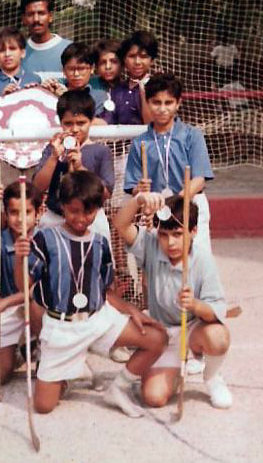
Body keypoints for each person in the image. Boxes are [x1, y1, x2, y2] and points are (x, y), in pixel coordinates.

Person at [15, 170, 168, 417]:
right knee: (43, 406)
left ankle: (118, 388)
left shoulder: (100, 242)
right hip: (62, 327)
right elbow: (24, 287)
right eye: (73, 211)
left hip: (97, 319)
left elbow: (106, 291)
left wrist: (132, 311)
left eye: (88, 212)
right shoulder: (45, 238)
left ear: (97, 209)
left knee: (156, 338)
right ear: (62, 206)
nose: (81, 218)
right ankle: (68, 374)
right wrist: (19, 258)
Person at [113, 193, 233, 409]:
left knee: (218, 336)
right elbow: (120, 224)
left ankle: (212, 377)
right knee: (153, 398)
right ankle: (174, 373)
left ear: (193, 231)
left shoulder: (203, 260)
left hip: (192, 329)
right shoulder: (151, 246)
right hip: (162, 333)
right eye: (164, 235)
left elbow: (216, 311)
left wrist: (195, 305)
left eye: (178, 234)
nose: (170, 243)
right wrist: (139, 200)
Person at [122, 72, 214, 258]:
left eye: (168, 103)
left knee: (196, 259)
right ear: (147, 103)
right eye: (156, 102)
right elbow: (132, 186)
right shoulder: (140, 143)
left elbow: (199, 179)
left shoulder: (192, 135)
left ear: (178, 103)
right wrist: (140, 190)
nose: (162, 109)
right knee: (159, 261)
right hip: (156, 209)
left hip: (189, 203)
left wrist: (175, 204)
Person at [0, 180, 45, 384]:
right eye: (13, 212)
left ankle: (43, 349)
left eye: (27, 212)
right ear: (5, 213)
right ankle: (20, 351)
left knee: (35, 304)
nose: (20, 219)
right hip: (7, 312)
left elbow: (37, 291)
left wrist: (2, 303)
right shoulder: (0, 237)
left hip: (37, 309)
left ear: (38, 213)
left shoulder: (45, 239)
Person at [32, 89, 114, 240]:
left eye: (81, 123)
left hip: (91, 220)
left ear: (91, 121)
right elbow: (37, 187)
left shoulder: (101, 151)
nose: (75, 129)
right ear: (60, 122)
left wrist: (80, 168)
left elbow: (106, 193)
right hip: (55, 218)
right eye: (68, 123)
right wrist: (54, 158)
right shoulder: (52, 149)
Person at [42, 41, 110, 121]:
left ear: (92, 69)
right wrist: (41, 89)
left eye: (81, 68)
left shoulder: (99, 96)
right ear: (63, 70)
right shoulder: (53, 91)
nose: (76, 74)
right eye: (71, 69)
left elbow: (100, 123)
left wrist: (66, 98)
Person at [110, 31, 159, 125]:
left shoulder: (158, 88)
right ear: (124, 59)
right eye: (132, 56)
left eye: (143, 56)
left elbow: (152, 125)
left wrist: (143, 94)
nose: (137, 62)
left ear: (152, 60)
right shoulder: (116, 90)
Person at [19, 0, 71, 80]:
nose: (36, 19)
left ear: (50, 16)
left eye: (41, 13)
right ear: (24, 19)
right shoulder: (18, 53)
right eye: (30, 14)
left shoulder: (69, 49)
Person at [0, 26, 42, 98]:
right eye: (2, 50)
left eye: (12, 49)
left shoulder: (34, 79)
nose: (7, 54)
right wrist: (1, 98)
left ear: (22, 53)